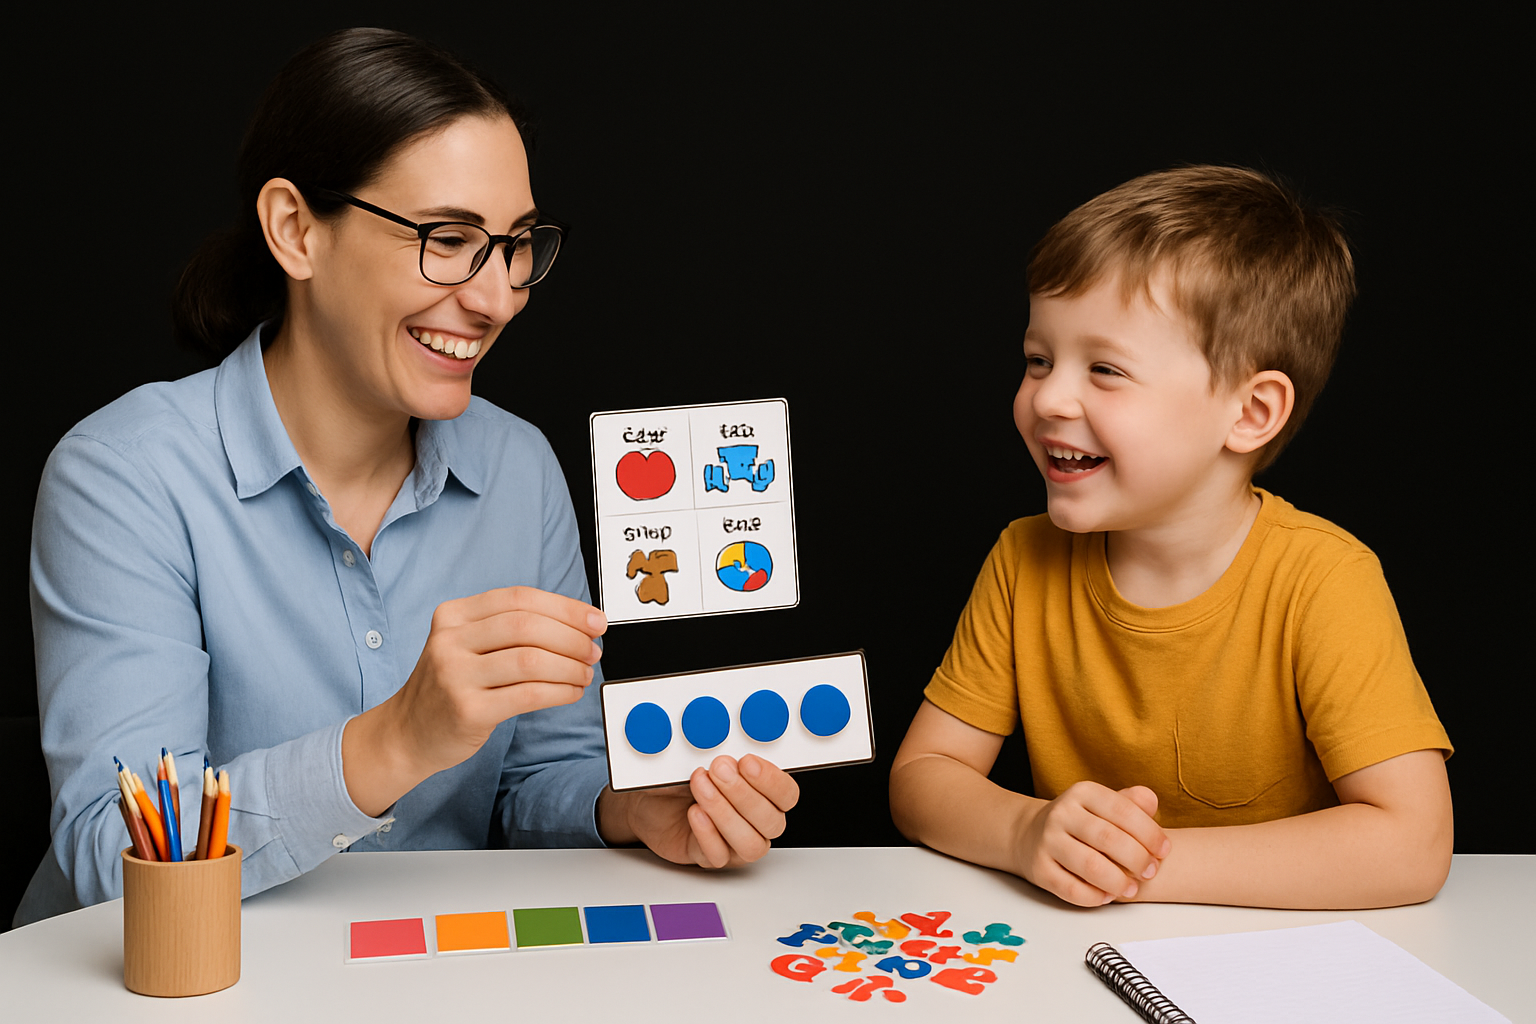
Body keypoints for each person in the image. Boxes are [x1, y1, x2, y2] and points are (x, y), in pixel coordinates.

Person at [17, 27, 796, 927]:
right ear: (296, 230)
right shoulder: (122, 477)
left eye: (515, 245)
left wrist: (622, 810)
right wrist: (397, 738)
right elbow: (111, 856)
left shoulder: (518, 467)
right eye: (448, 238)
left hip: (427, 969)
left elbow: (541, 776)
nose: (497, 296)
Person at [888, 166, 1452, 910]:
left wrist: (1131, 866)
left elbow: (1412, 846)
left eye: (1106, 369)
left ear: (1250, 414)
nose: (1049, 397)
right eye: (1038, 359)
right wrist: (1025, 831)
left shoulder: (1323, 579)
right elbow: (921, 776)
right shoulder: (1023, 560)